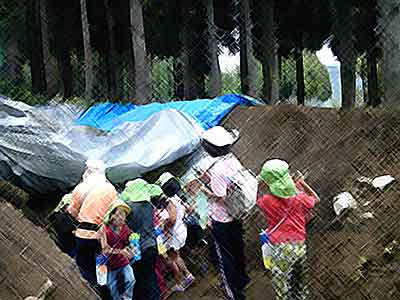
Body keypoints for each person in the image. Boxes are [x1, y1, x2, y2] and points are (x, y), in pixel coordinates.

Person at [197, 126, 250, 300]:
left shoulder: (217, 170)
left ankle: (233, 293)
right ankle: (242, 279)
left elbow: (220, 197)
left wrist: (205, 191)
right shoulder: (232, 160)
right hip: (237, 213)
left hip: (222, 219)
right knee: (238, 249)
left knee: (224, 257)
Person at [256, 159, 320, 300]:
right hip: (299, 246)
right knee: (299, 283)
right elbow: (316, 198)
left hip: (281, 249)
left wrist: (261, 183)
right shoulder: (300, 198)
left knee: (282, 287)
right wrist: (302, 182)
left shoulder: (267, 201)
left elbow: (257, 197)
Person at [66, 159, 118, 286]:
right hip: (102, 236)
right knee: (104, 269)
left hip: (83, 235)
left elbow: (71, 212)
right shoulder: (110, 188)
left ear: (89, 171)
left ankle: (92, 292)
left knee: (86, 269)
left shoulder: (80, 188)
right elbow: (114, 213)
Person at [120, 178, 164, 300]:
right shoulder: (148, 205)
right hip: (152, 245)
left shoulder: (130, 208)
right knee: (151, 277)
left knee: (141, 281)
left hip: (139, 250)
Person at [157, 173, 194, 292]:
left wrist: (165, 229)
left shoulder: (169, 201)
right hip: (180, 230)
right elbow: (187, 210)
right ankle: (187, 275)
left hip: (174, 234)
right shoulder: (176, 198)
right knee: (176, 256)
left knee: (173, 258)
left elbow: (172, 219)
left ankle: (183, 280)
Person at [98, 201, 135, 300]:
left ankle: (127, 298)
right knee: (112, 288)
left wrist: (132, 248)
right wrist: (121, 252)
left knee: (130, 279)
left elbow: (130, 242)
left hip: (123, 262)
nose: (122, 218)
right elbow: (105, 250)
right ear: (112, 215)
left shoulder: (125, 228)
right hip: (109, 264)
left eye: (124, 215)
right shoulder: (104, 229)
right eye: (119, 214)